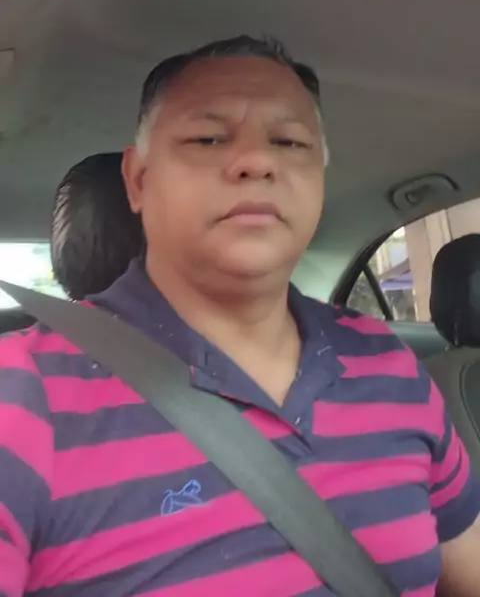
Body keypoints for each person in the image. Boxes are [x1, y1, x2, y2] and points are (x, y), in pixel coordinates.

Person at [0, 35, 479, 596]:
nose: (257, 161)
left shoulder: (392, 368)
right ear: (139, 180)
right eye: (208, 138)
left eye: (289, 141)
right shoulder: (21, 392)